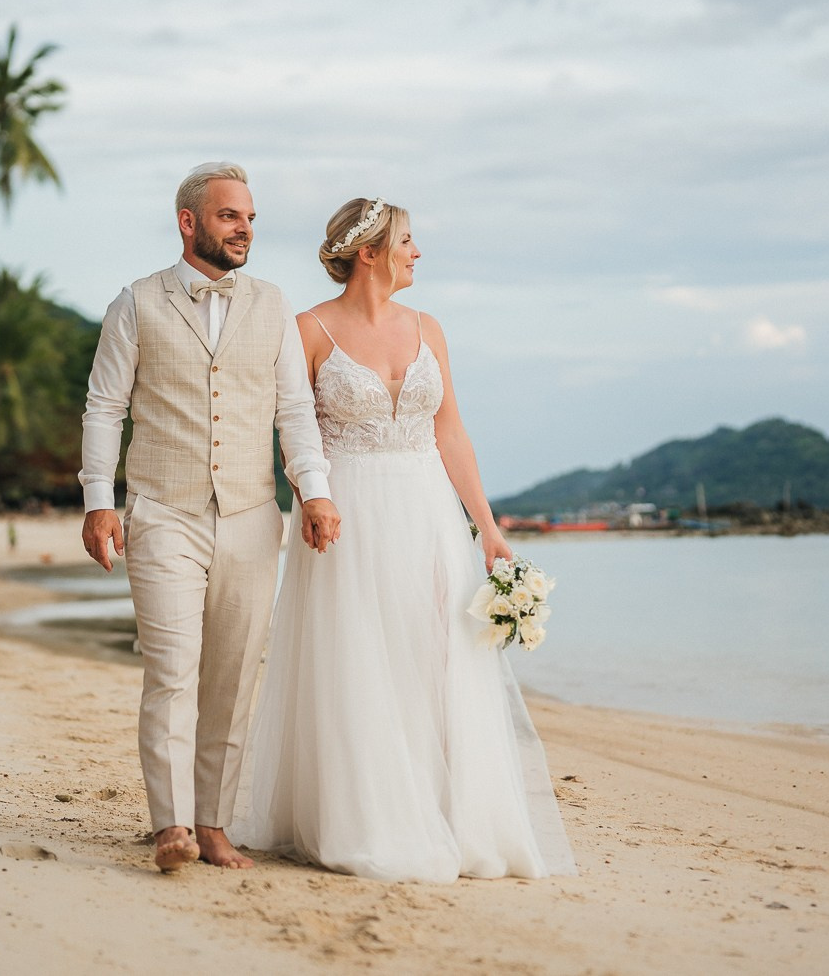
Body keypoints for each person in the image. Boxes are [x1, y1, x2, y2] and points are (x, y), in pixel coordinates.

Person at [233, 197, 575, 882]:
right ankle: (367, 814)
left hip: (427, 512)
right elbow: (290, 430)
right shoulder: (308, 329)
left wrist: (488, 527)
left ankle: (448, 814)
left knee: (435, 655)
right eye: (408, 241)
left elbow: (451, 432)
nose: (418, 253)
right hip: (347, 514)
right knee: (360, 657)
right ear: (369, 253)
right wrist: (310, 496)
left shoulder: (428, 328)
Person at [78, 163, 342, 872]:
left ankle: (214, 823)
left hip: (255, 515)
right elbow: (105, 405)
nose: (245, 229)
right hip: (164, 511)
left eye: (250, 217)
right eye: (230, 216)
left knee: (231, 677)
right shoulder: (135, 303)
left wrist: (312, 488)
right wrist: (99, 499)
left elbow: (294, 412)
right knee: (172, 670)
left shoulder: (274, 306)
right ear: (189, 222)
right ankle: (171, 826)